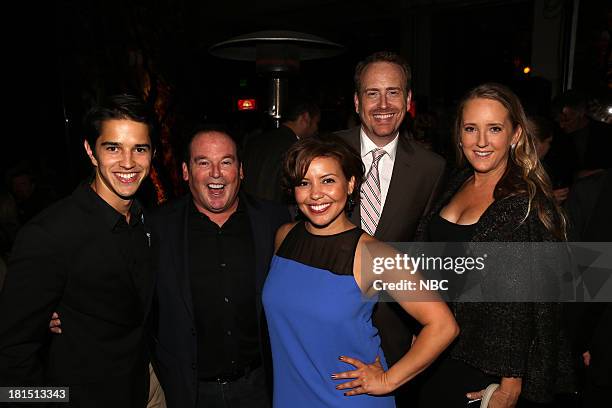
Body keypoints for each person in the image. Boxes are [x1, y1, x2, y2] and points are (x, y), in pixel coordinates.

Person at [263, 135, 458, 407]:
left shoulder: (374, 254)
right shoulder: (284, 237)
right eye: (304, 183)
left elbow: (443, 325)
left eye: (328, 180)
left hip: (349, 398)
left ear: (351, 183)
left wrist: (388, 380)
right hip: (290, 395)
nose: (316, 193)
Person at [416, 83, 573, 407]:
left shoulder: (523, 204)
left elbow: (525, 303)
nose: (482, 142)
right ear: (459, 134)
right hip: (436, 349)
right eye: (471, 128)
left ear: (515, 135)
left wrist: (510, 383)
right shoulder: (458, 180)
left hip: (483, 364)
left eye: (495, 129)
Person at [0, 94, 157, 407]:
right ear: (91, 151)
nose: (128, 162)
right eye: (113, 147)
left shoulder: (144, 220)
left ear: (152, 153)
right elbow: (11, 355)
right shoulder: (49, 234)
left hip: (146, 389)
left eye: (139, 148)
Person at [150, 124, 290, 408]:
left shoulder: (274, 221)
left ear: (240, 170)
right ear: (186, 171)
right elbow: (120, 283)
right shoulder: (156, 227)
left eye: (226, 162)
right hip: (188, 392)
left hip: (261, 388)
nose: (216, 173)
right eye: (204, 163)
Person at [336, 51, 446, 390]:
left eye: (393, 92)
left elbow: (425, 246)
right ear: (357, 101)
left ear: (408, 99)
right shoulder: (325, 151)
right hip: (326, 318)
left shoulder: (432, 168)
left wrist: (420, 328)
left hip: (391, 328)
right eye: (372, 93)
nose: (383, 104)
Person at [243, 98, 320, 203]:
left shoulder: (255, 140)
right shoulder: (296, 149)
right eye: (316, 123)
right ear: (305, 117)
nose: (316, 128)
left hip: (249, 208)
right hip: (276, 212)